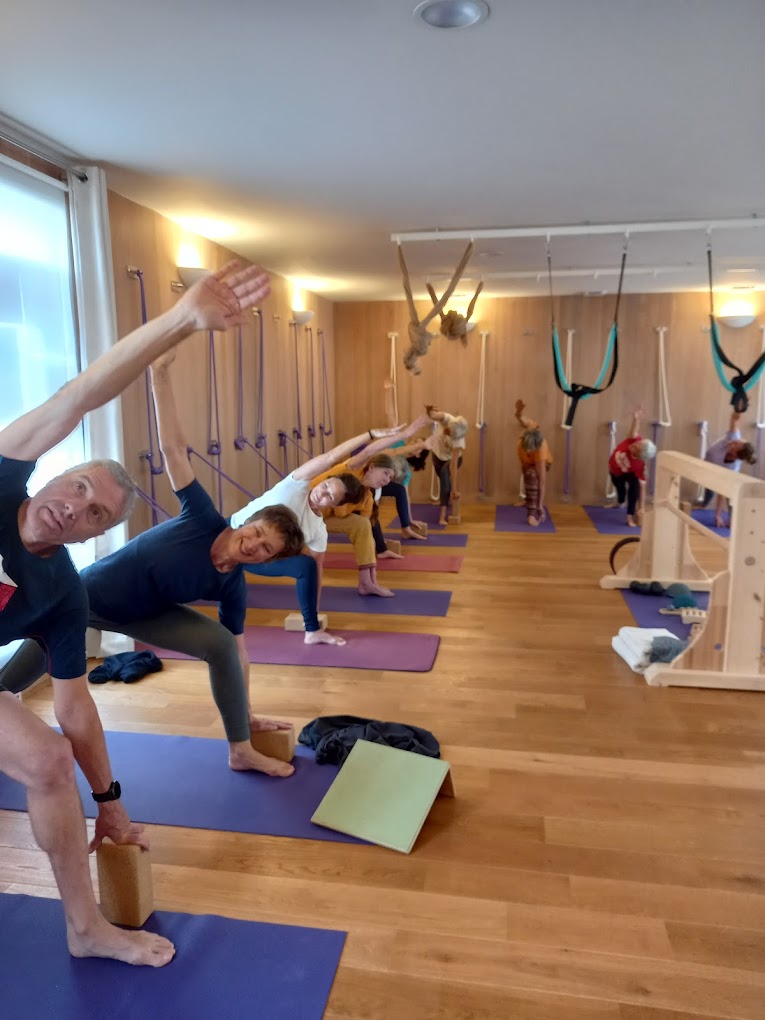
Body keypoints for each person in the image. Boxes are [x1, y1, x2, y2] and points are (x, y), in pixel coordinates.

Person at [0, 259, 270, 967]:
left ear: (94, 536)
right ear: (54, 471)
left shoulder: (62, 591)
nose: (76, 509)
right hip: (120, 602)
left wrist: (110, 800)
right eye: (78, 486)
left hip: (119, 613)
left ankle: (85, 928)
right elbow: (77, 396)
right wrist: (180, 321)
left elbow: (77, 709)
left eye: (95, 515)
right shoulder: (2, 477)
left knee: (50, 759)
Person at [230, 424, 409, 640]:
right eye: (325, 487)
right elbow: (331, 457)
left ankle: (312, 632)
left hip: (254, 557)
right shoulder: (294, 486)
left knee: (307, 565)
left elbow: (317, 570)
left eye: (329, 497)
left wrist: (313, 615)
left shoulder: (318, 529)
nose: (321, 495)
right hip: (229, 535)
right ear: (323, 480)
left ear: (335, 505)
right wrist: (369, 434)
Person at [309, 416, 429, 596]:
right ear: (371, 467)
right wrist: (405, 434)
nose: (387, 480)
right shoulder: (353, 469)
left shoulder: (367, 498)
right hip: (302, 511)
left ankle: (367, 583)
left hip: (320, 520)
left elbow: (366, 537)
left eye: (390, 478)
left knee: (363, 525)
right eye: (386, 473)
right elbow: (369, 451)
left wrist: (376, 561)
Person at [696, 410, 756, 527]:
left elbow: (721, 492)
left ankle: (733, 519)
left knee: (730, 495)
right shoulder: (733, 436)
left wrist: (717, 515)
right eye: (736, 441)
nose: (732, 442)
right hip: (708, 465)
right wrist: (739, 409)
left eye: (735, 445)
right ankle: (704, 504)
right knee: (709, 490)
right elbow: (734, 420)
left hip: (720, 471)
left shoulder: (731, 468)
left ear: (735, 454)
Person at [607, 405, 656, 527]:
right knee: (621, 491)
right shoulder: (633, 440)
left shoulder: (639, 466)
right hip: (615, 471)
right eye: (637, 444)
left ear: (639, 455)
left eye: (636, 448)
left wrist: (642, 508)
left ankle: (629, 516)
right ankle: (620, 501)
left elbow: (642, 487)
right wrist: (636, 418)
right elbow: (634, 431)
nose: (633, 445)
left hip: (630, 472)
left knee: (634, 489)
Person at [426, 405, 468, 526]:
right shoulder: (447, 418)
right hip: (437, 455)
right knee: (443, 480)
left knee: (445, 476)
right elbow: (437, 415)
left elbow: (453, 465)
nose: (448, 433)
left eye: (451, 434)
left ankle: (442, 516)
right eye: (449, 430)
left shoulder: (459, 441)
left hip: (453, 460)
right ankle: (444, 499)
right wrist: (431, 413)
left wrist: (454, 489)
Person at [514, 400, 553, 526]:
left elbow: (542, 482)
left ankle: (531, 513)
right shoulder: (531, 428)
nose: (528, 449)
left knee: (532, 476)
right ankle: (528, 499)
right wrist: (519, 412)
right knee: (527, 476)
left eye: (531, 448)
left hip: (540, 463)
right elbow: (521, 418)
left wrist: (539, 506)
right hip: (526, 462)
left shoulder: (541, 450)